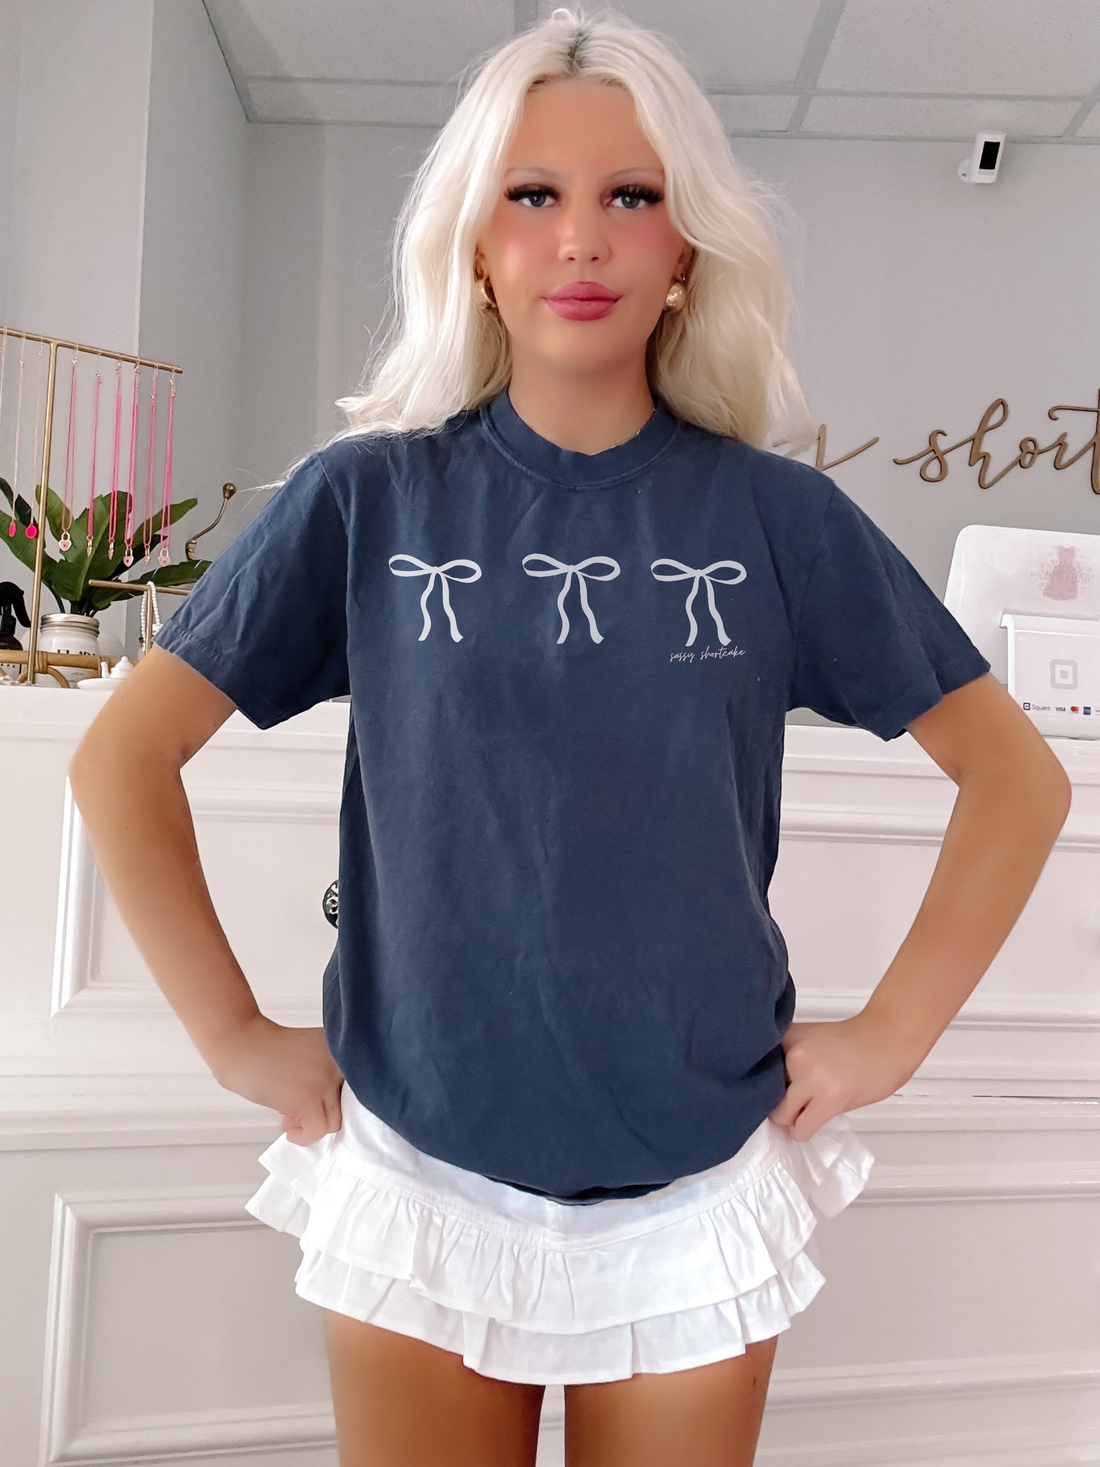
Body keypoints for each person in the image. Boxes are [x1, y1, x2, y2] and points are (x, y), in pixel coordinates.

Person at [68, 8, 1071, 1466]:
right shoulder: (366, 503)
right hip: (419, 1160)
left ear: (687, 253)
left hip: (699, 1175)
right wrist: (232, 1035)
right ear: (476, 239)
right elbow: (121, 754)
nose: (582, 239)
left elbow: (1015, 778)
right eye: (533, 195)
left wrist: (892, 1033)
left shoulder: (778, 522)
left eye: (633, 197)